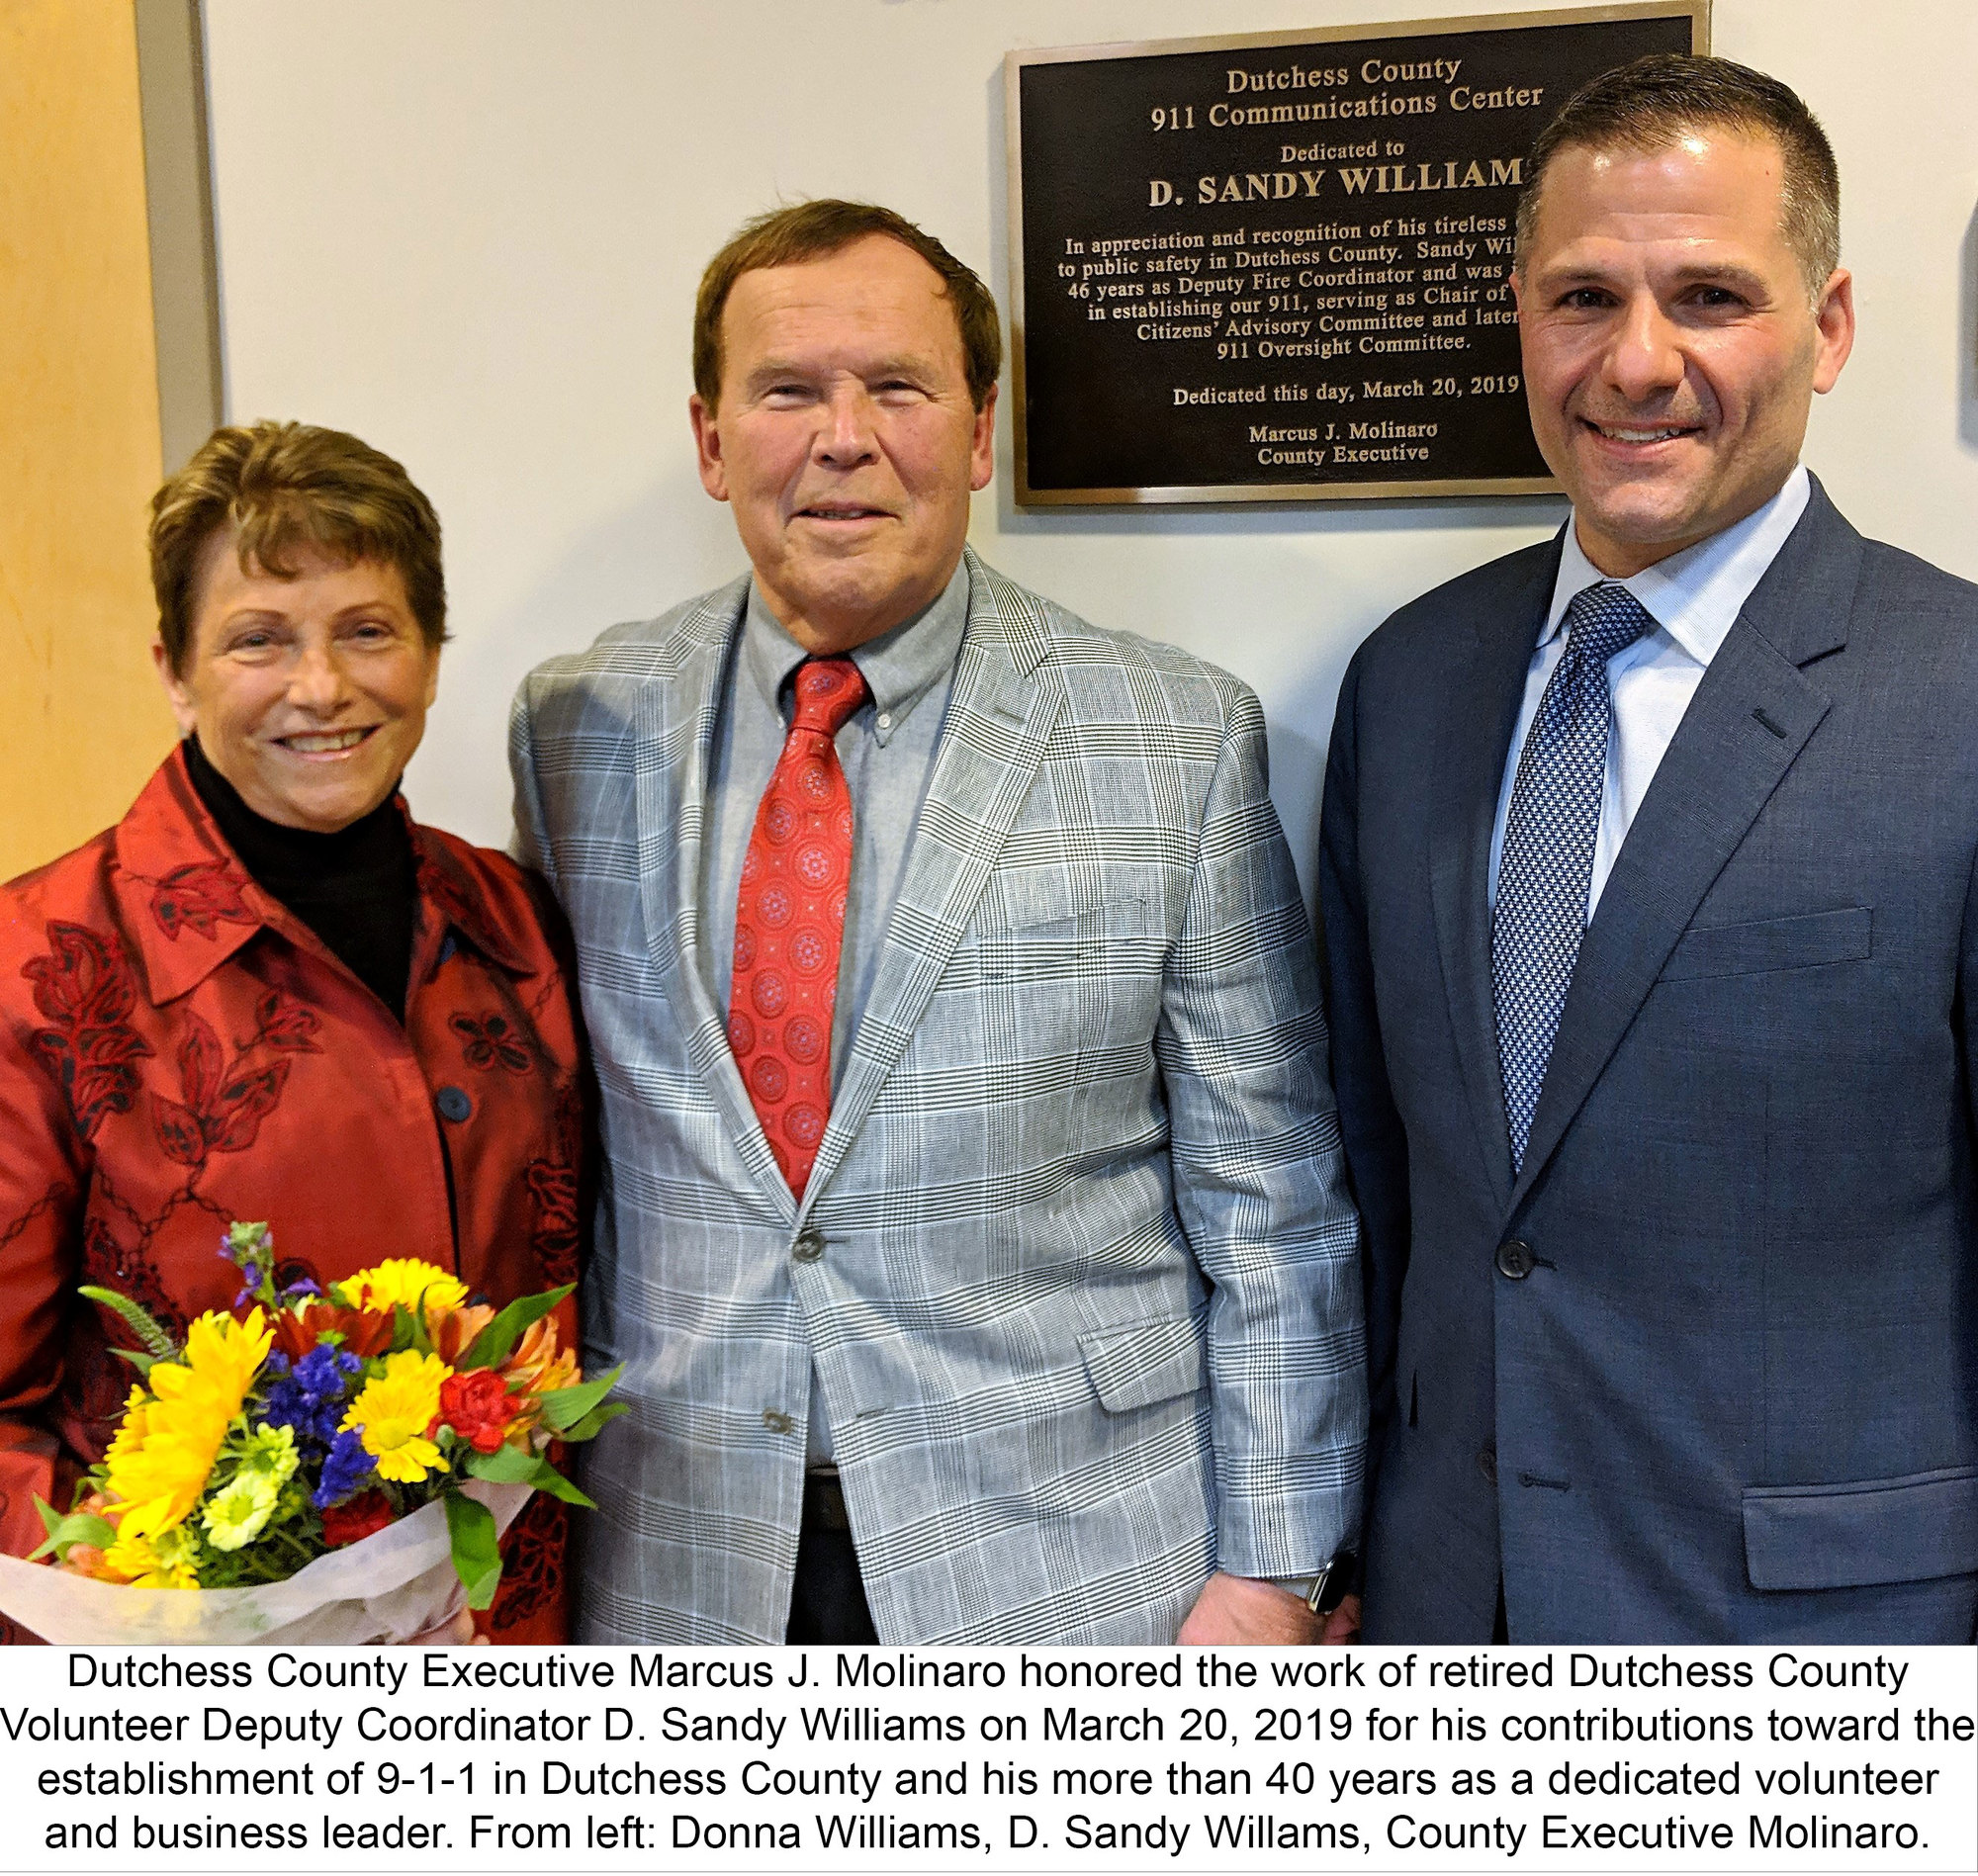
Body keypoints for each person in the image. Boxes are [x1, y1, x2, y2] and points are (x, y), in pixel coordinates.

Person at [511, 200, 1365, 1645]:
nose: (843, 437)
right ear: (714, 442)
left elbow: (1273, 1198)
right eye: (787, 391)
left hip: (1081, 1572)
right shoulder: (573, 729)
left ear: (977, 433)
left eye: (896, 387)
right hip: (679, 1566)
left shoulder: (1172, 735)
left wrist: (1275, 1566)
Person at [1320, 52, 1978, 1644]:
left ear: (1826, 325)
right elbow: (1375, 1174)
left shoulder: (1955, 691)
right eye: (1582, 298)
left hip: (1822, 1648)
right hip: (1447, 1617)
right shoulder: (1408, 679)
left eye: (1708, 295)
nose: (1637, 361)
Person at [0, 421, 587, 1642]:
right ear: (175, 667)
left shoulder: (515, 919)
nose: (321, 687)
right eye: (258, 639)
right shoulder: (39, 966)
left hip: (518, 1659)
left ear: (430, 654)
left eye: (367, 630)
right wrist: (179, 1616)